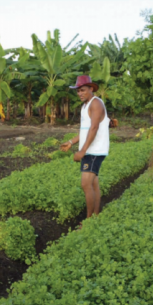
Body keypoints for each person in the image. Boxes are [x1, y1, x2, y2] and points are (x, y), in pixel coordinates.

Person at [60, 75, 110, 219]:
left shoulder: (96, 104)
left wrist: (82, 151)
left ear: (91, 89)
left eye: (82, 90)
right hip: (90, 150)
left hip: (94, 151)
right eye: (78, 91)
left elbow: (94, 128)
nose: (80, 93)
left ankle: (89, 220)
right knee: (93, 185)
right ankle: (95, 215)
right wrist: (71, 142)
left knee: (85, 184)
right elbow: (86, 130)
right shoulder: (85, 106)